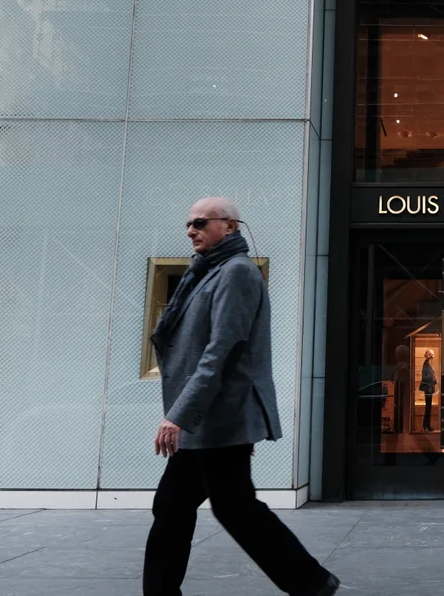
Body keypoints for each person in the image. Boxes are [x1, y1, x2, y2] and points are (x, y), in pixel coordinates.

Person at [143, 197, 339, 596]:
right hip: (210, 421)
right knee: (175, 507)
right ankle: (311, 582)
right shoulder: (209, 273)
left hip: (216, 419)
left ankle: (312, 582)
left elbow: (222, 351)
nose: (190, 230)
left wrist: (179, 415)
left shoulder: (236, 273)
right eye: (188, 223)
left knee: (233, 508)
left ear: (230, 227)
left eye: (200, 222)